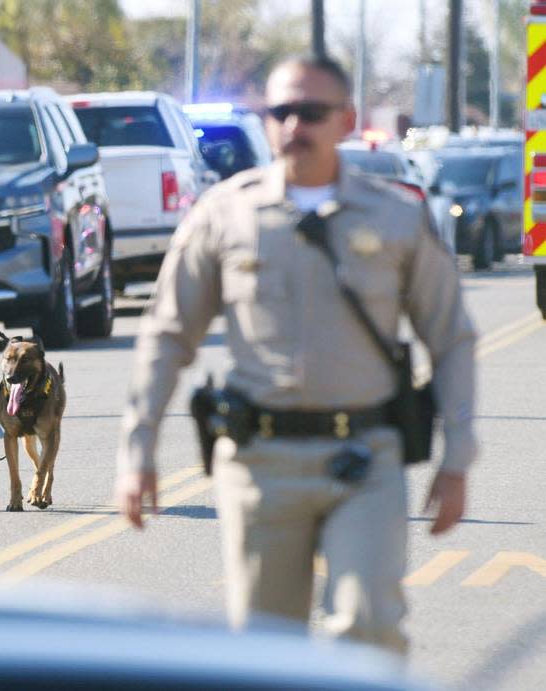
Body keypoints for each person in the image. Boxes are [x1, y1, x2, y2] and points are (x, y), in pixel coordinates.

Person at [113, 55, 477, 654]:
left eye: (311, 112)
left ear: (346, 120)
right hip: (259, 464)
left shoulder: (395, 216)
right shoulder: (225, 213)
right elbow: (168, 333)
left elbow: (451, 338)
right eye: (279, 112)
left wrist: (457, 458)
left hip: (364, 459)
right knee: (263, 649)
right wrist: (138, 447)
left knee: (368, 628)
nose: (293, 126)